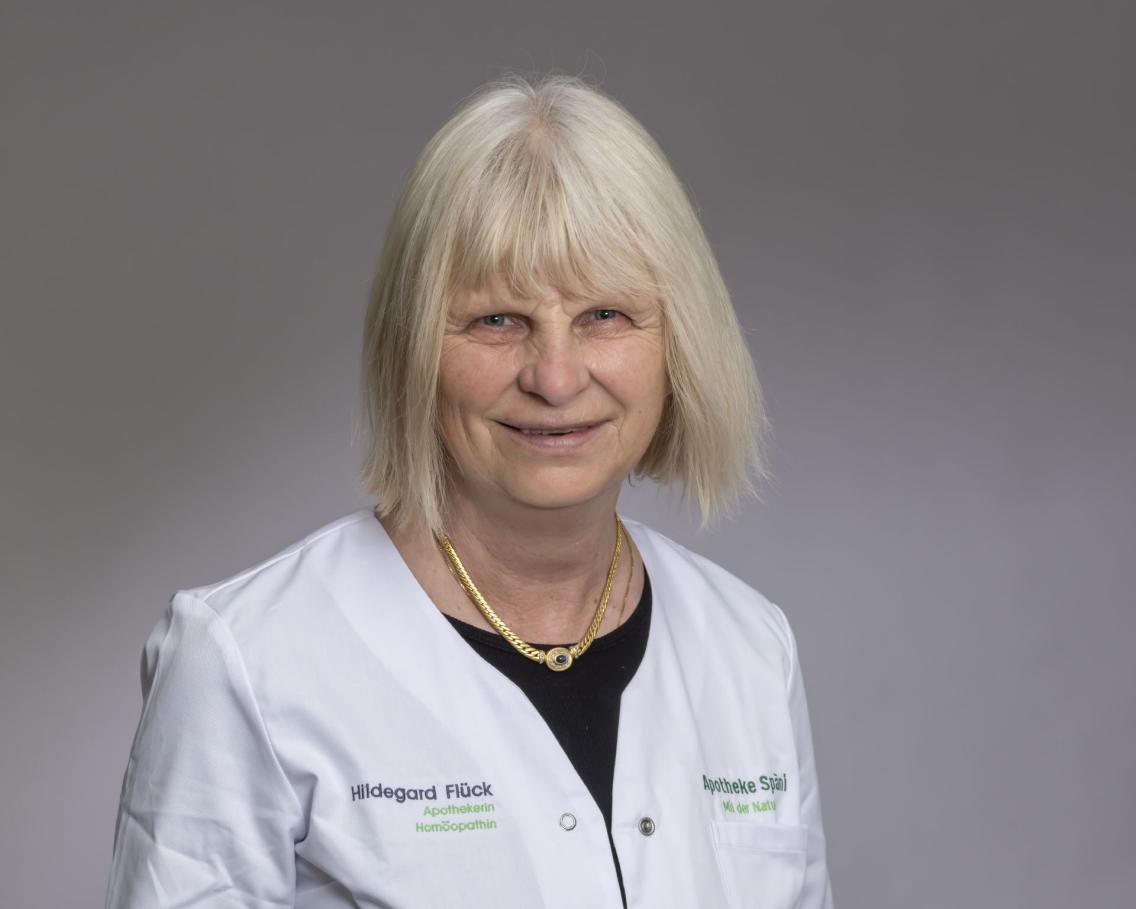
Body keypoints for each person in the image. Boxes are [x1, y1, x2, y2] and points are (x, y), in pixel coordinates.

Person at [104, 73, 835, 908]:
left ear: (681, 342)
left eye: (604, 315)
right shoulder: (246, 660)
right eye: (497, 319)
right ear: (415, 345)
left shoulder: (750, 649)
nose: (556, 378)